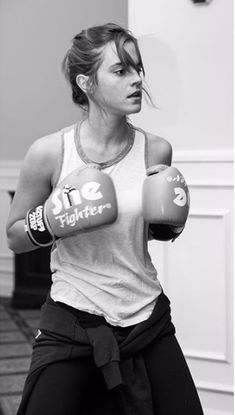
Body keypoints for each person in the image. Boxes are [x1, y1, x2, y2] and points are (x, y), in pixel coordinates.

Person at [6, 23, 203, 415]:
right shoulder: (49, 153)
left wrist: (171, 225)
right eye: (121, 70)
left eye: (138, 68)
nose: (137, 80)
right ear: (87, 82)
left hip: (145, 314)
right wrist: (54, 218)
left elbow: (148, 234)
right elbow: (14, 236)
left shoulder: (156, 150)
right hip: (73, 317)